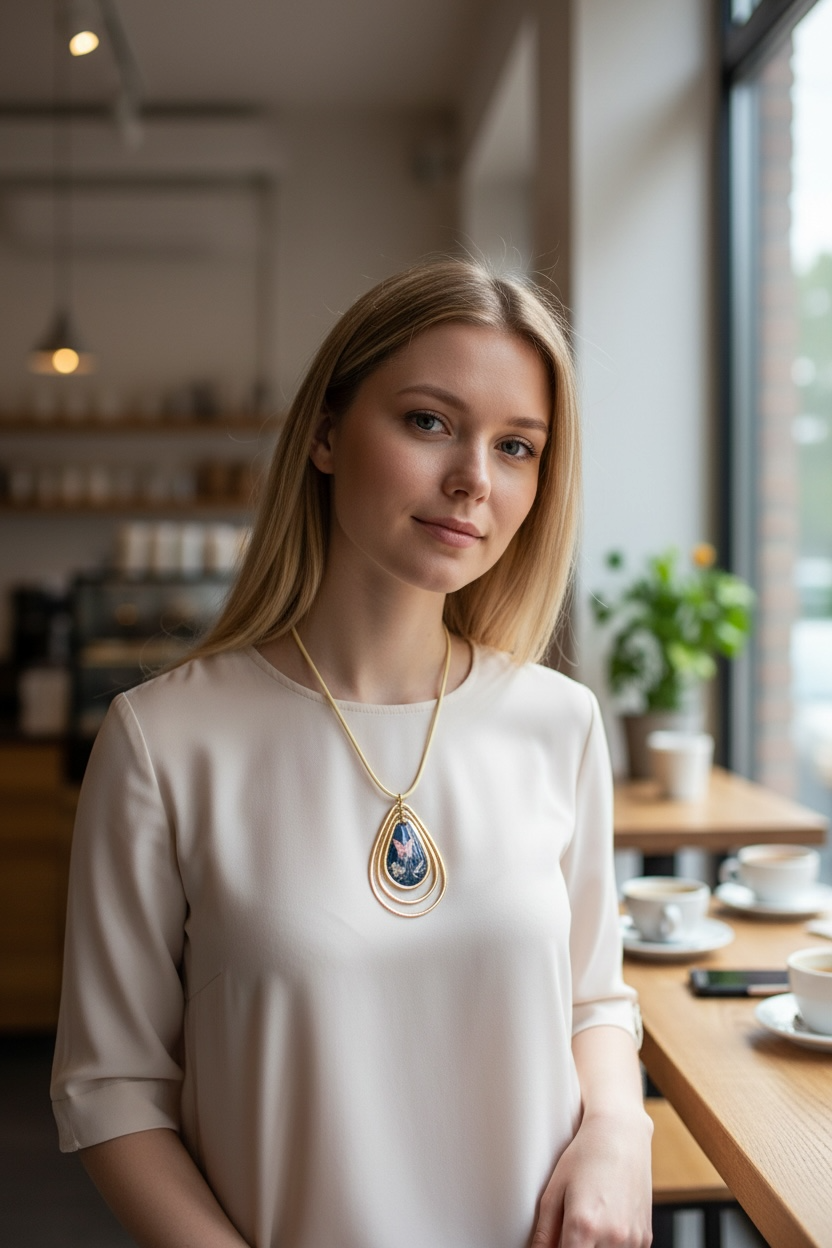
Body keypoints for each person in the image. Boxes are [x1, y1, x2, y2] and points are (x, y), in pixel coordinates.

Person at [51, 258, 653, 1248]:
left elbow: (593, 996)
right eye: (428, 422)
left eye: (517, 447)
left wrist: (620, 1132)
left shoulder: (560, 722)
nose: (473, 478)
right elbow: (113, 1089)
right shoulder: (164, 743)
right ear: (326, 433)